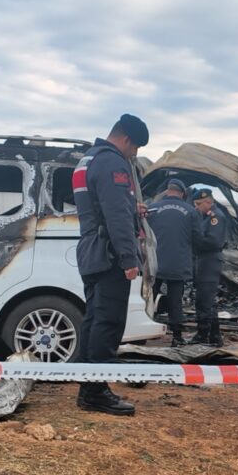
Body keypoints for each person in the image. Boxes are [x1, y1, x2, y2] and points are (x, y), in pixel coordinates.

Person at [71, 113, 149, 415]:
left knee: (93, 318)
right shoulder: (113, 162)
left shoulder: (87, 160)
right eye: (135, 148)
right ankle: (95, 391)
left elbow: (99, 203)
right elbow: (115, 215)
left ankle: (86, 382)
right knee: (109, 321)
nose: (134, 154)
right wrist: (130, 259)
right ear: (126, 140)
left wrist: (131, 206)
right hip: (109, 254)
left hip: (90, 249)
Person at [146, 178, 202, 346]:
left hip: (154, 263)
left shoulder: (152, 209)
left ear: (167, 191)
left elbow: (142, 234)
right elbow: (197, 238)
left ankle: (142, 333)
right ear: (183, 193)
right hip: (178, 263)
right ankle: (177, 337)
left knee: (149, 298)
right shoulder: (191, 211)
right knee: (175, 301)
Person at [189, 188, 228, 346]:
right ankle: (215, 336)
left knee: (204, 300)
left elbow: (213, 241)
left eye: (198, 204)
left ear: (208, 202)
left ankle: (202, 334)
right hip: (203, 260)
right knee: (208, 300)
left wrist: (194, 239)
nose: (196, 207)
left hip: (209, 260)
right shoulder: (204, 216)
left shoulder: (215, 217)